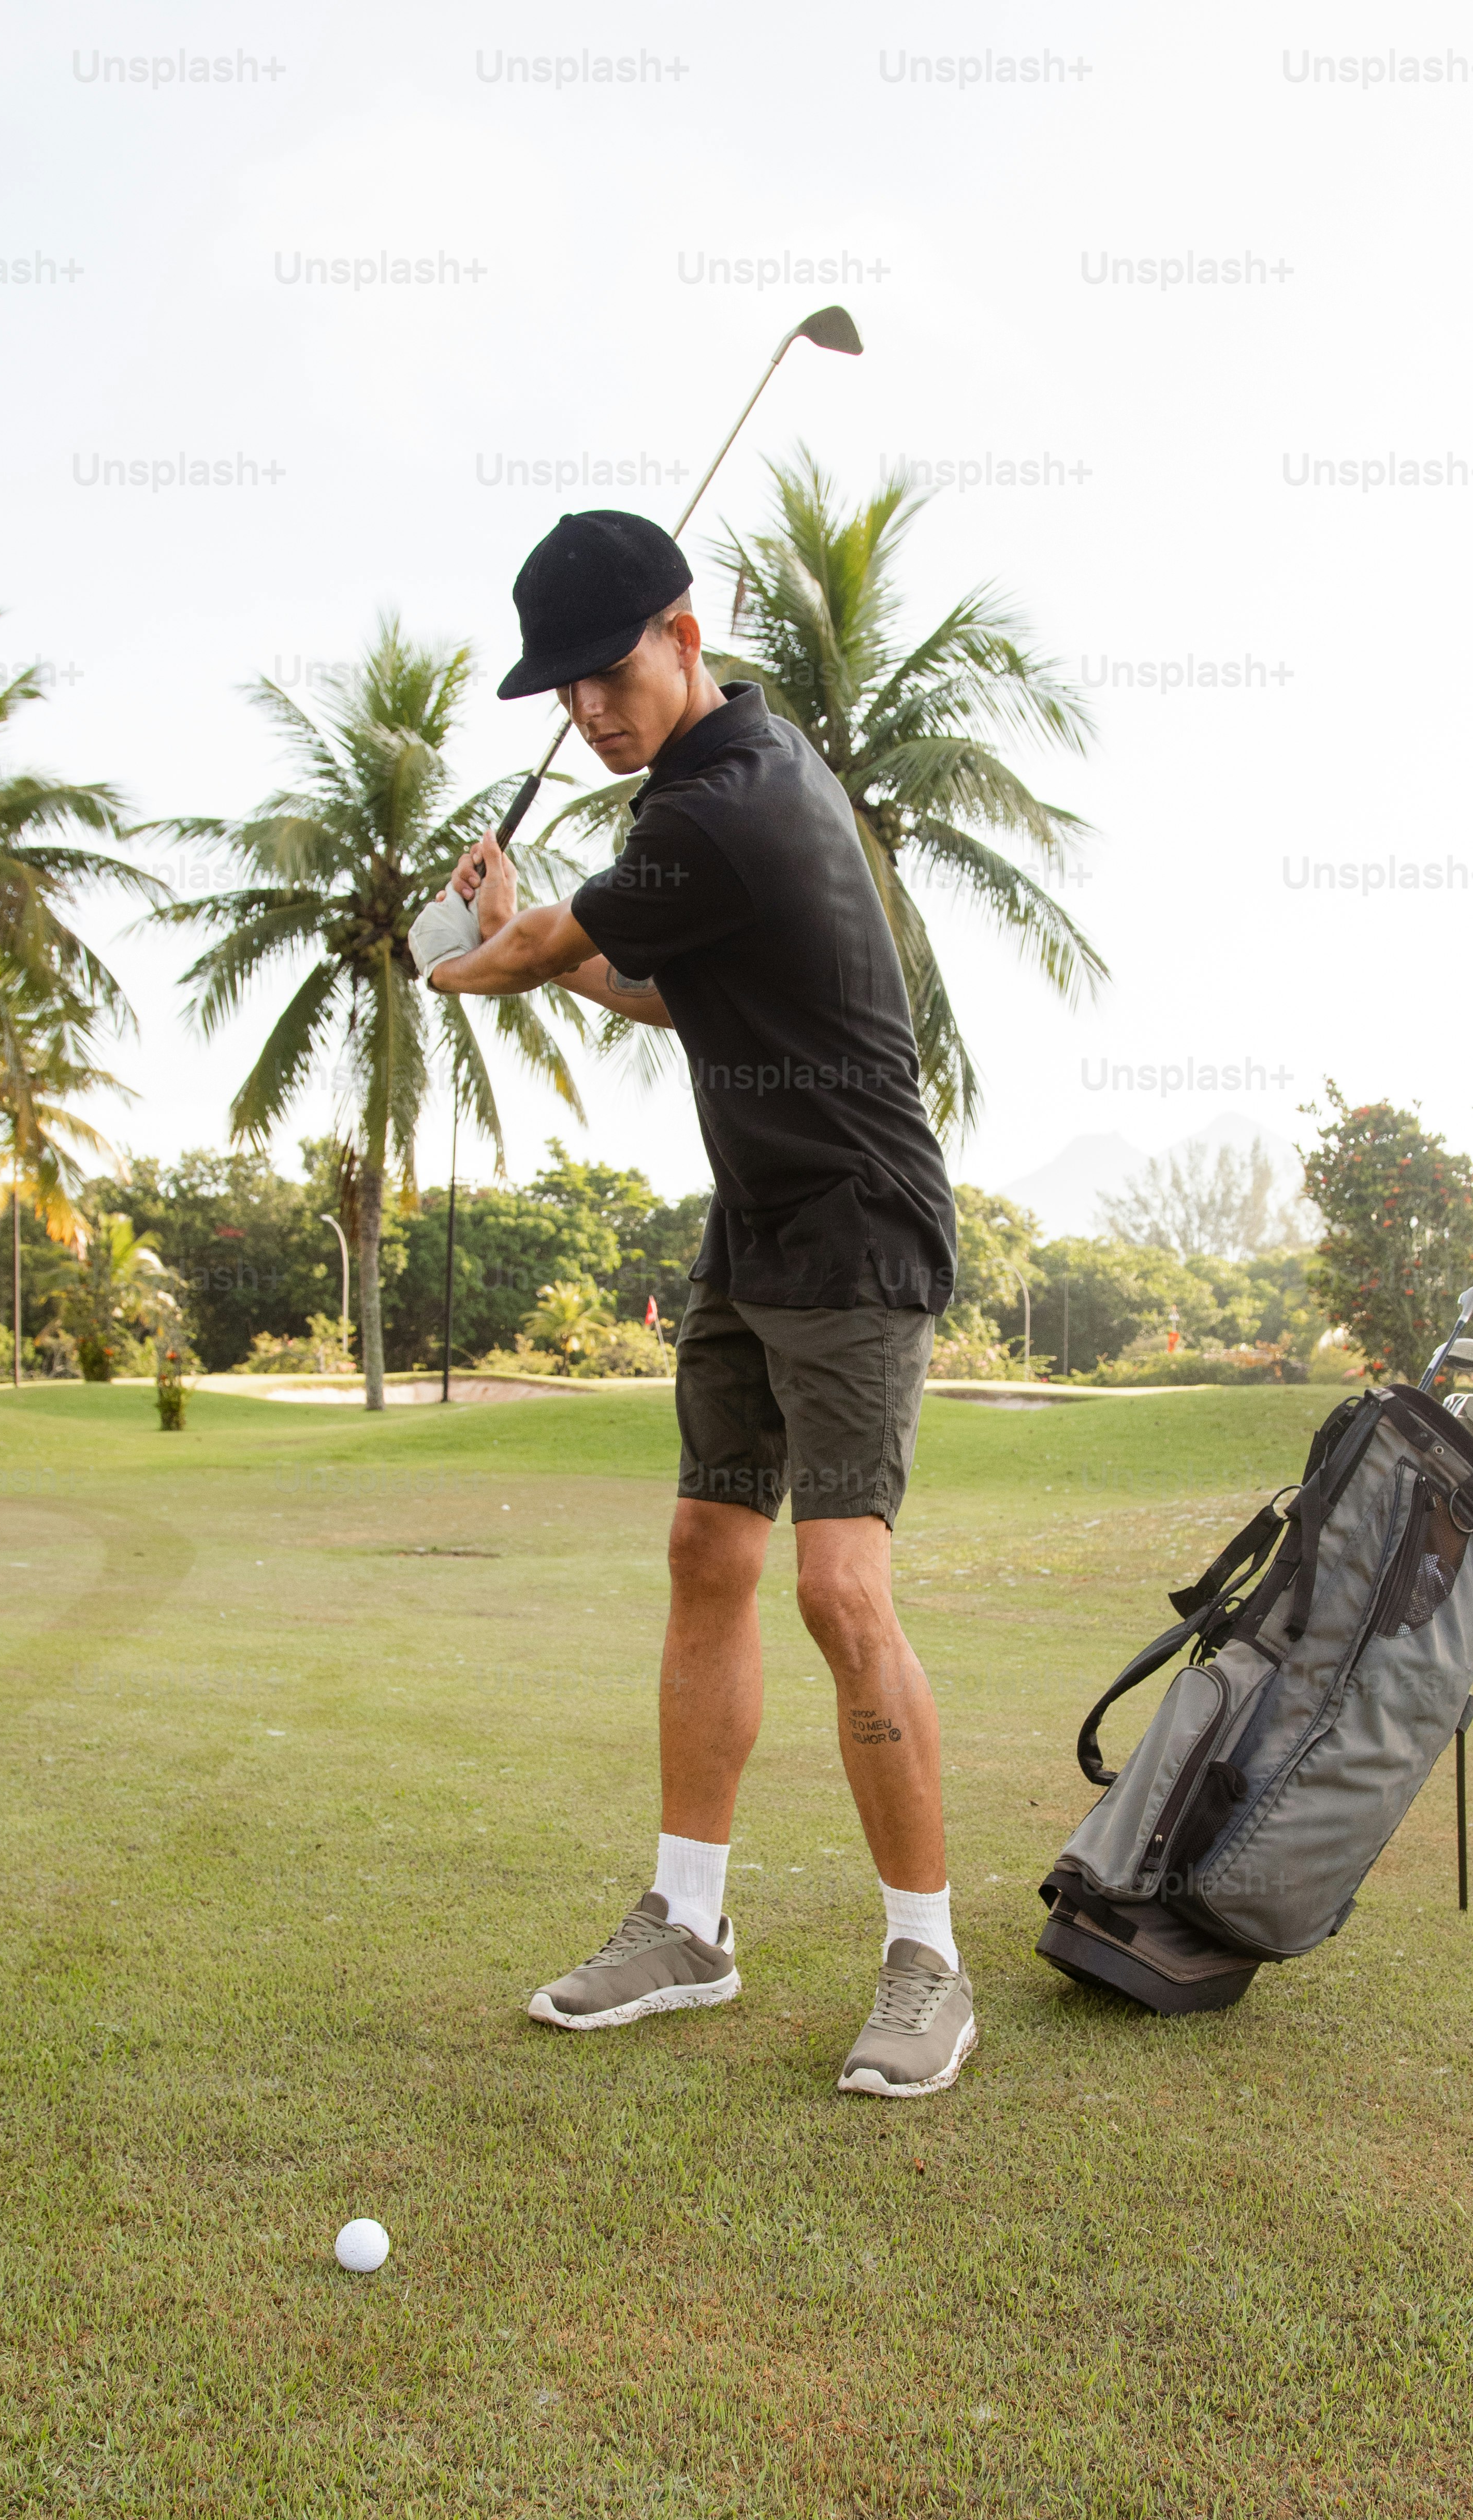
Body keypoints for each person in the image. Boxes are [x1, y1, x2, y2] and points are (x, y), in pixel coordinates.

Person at [412, 508, 974, 2098]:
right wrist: (521, 933)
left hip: (855, 1225)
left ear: (686, 632)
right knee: (707, 1549)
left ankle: (930, 1961)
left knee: (840, 1590)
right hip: (755, 1224)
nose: (589, 708)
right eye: (564, 689)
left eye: (611, 670)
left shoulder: (735, 799)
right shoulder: (701, 798)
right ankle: (690, 1923)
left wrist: (448, 951)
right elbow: (653, 983)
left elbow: (545, 950)